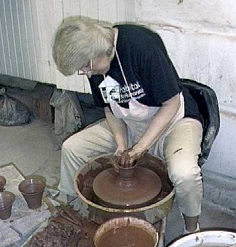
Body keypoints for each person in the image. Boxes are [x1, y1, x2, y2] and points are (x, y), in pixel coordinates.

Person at [52, 16, 203, 234]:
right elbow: (109, 108)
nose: (85, 73)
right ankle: (74, 211)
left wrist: (140, 148)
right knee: (72, 148)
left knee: (184, 174)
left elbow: (172, 103)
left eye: (85, 67)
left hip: (174, 121)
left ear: (100, 51)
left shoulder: (140, 46)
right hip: (131, 123)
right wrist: (122, 146)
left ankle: (192, 229)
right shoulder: (94, 62)